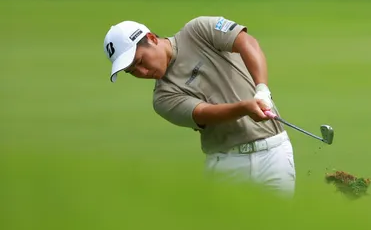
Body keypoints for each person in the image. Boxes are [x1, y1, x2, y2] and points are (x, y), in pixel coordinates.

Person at [102, 16, 296, 196]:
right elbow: (203, 113)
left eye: (140, 61)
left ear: (152, 38)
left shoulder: (197, 30)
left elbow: (246, 42)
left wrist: (262, 90)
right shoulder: (162, 98)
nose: (142, 72)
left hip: (274, 154)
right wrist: (244, 108)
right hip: (226, 164)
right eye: (132, 71)